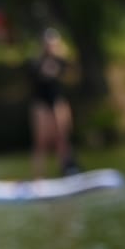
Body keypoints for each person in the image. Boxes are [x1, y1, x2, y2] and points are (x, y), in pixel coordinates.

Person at [29, 27, 81, 179]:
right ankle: (39, 177)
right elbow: (35, 77)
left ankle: (67, 171)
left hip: (58, 100)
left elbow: (74, 72)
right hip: (41, 103)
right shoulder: (37, 62)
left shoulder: (61, 61)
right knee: (41, 142)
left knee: (62, 137)